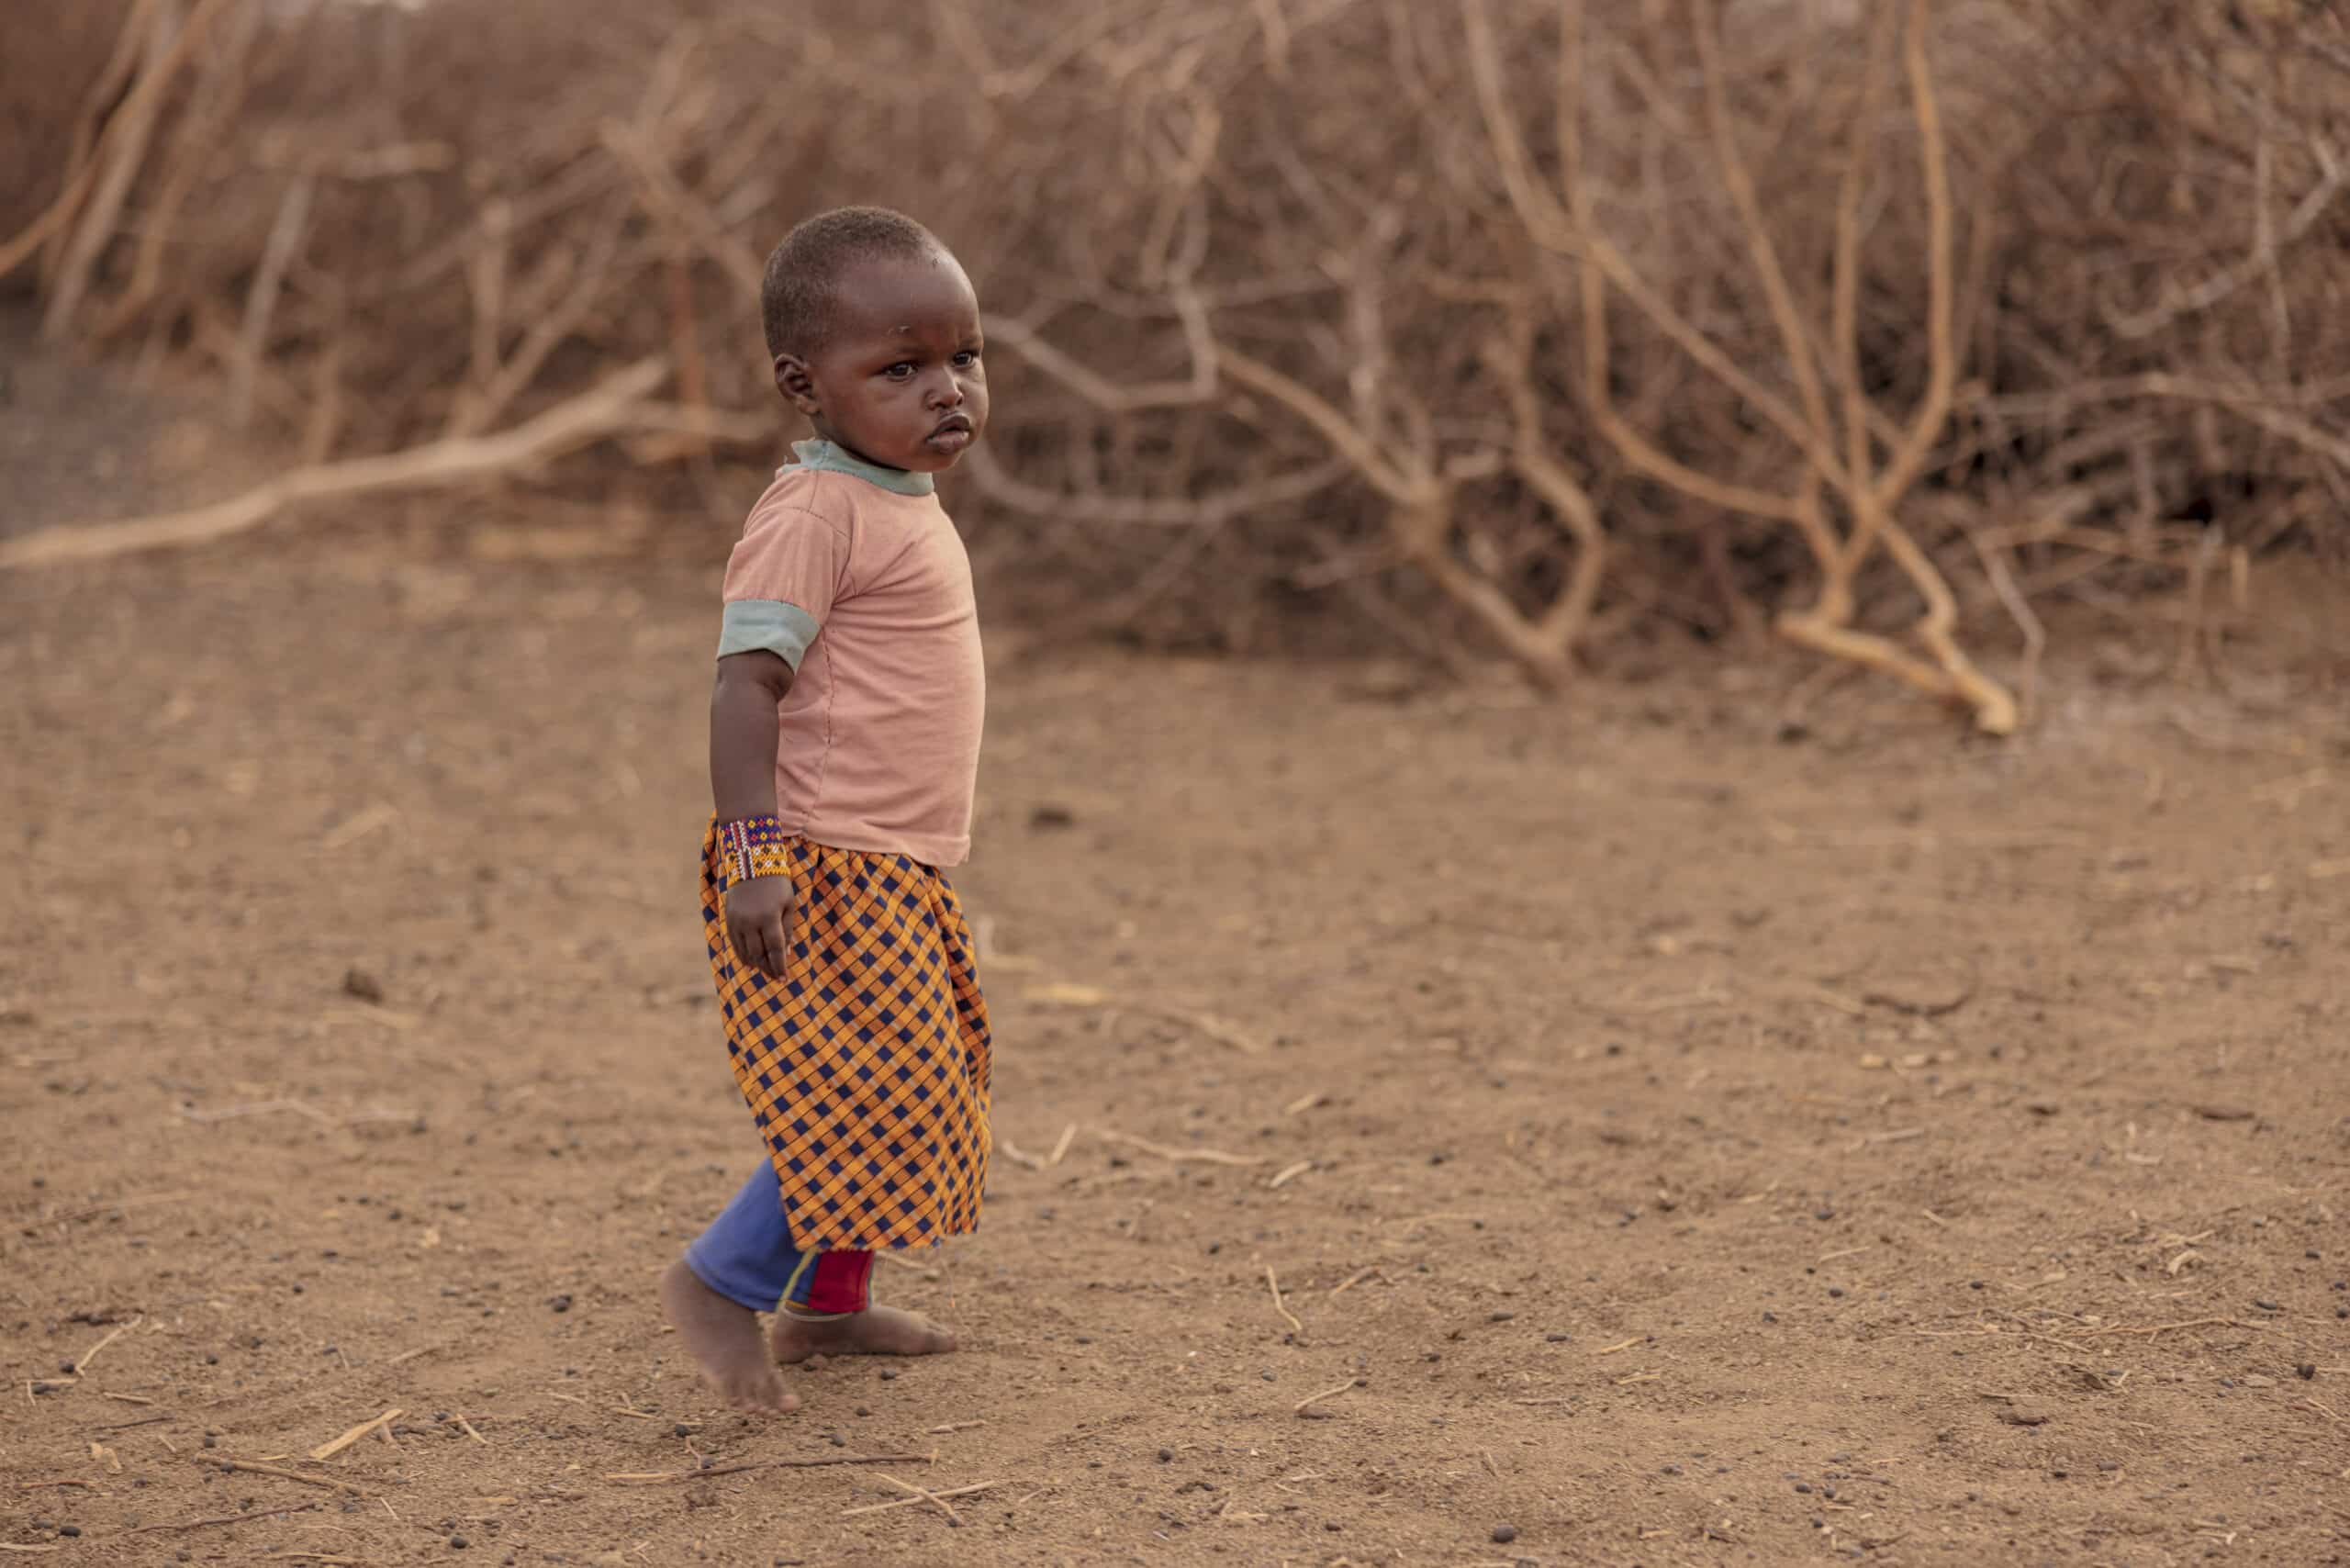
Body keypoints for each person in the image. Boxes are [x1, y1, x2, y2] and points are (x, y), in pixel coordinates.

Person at [660, 207, 993, 1416]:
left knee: (912, 1076)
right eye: (900, 370)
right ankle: (720, 1278)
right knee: (868, 1088)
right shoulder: (811, 514)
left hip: (895, 859)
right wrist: (756, 854)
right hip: (821, 859)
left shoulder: (893, 489)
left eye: (963, 357)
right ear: (807, 385)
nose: (946, 390)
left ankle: (828, 1306)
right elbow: (745, 684)